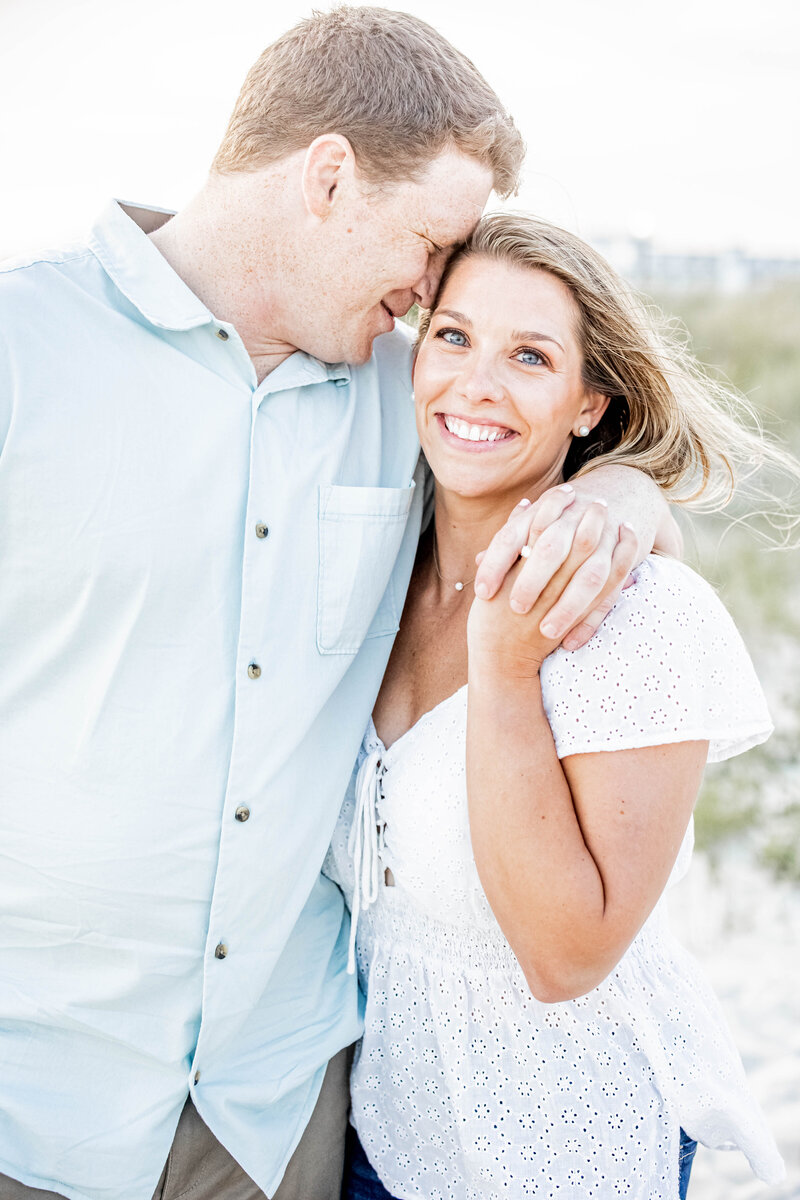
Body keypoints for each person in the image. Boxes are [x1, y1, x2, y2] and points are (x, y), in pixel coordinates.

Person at [0, 11, 679, 1200]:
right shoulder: (22, 347)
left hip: (274, 1109)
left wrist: (620, 496)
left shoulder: (402, 392)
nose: (428, 292)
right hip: (34, 1095)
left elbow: (538, 449)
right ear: (327, 176)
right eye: (427, 243)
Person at [325, 213, 790, 1200]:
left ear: (587, 404)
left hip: (562, 1150)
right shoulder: (375, 574)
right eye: (451, 337)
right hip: (375, 1135)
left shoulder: (640, 618)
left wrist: (502, 670)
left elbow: (563, 956)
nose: (475, 385)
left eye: (528, 357)